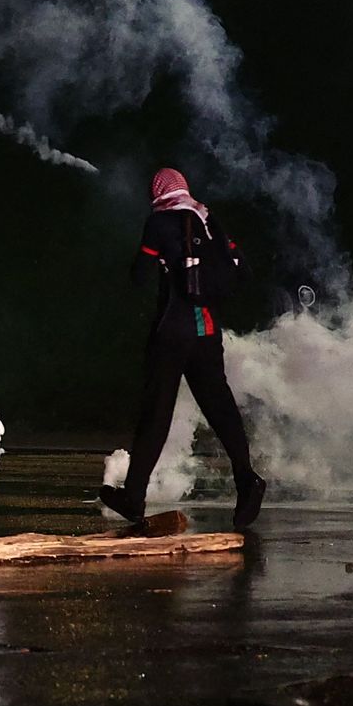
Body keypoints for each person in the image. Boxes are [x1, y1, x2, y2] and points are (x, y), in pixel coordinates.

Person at [100, 168, 266, 530]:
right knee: (220, 409)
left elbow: (139, 276)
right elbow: (244, 272)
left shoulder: (158, 223)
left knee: (156, 413)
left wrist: (158, 262)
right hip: (208, 332)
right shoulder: (208, 219)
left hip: (172, 332)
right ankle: (247, 481)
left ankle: (134, 496)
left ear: (157, 193)